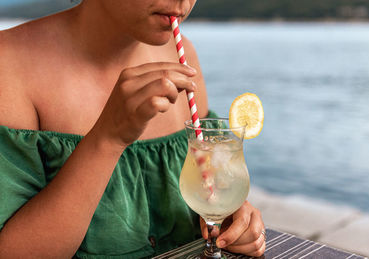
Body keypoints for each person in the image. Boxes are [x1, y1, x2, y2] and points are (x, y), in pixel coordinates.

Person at [0, 0, 266, 258]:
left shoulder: (183, 54)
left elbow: (206, 179)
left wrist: (230, 218)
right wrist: (108, 139)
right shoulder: (8, 64)